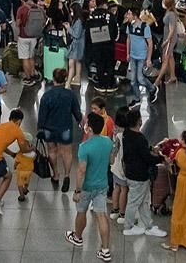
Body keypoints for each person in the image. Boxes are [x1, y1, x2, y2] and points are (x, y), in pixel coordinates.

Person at [65, 112, 115, 262]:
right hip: (102, 185)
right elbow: (111, 161)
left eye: (86, 124)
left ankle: (77, 237)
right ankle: (105, 250)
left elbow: (81, 170)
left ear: (90, 129)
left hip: (87, 186)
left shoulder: (84, 147)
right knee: (101, 215)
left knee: (81, 211)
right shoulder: (107, 142)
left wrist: (77, 190)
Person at [121, 107, 167, 237]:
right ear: (139, 121)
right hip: (139, 176)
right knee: (135, 201)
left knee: (143, 201)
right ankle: (128, 226)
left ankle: (148, 225)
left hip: (131, 172)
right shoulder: (139, 138)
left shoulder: (127, 134)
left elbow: (140, 151)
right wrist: (161, 158)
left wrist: (151, 148)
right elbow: (147, 157)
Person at [38, 67, 83, 191]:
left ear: (53, 79)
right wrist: (81, 122)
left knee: (52, 151)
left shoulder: (47, 96)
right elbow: (77, 112)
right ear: (64, 79)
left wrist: (40, 129)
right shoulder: (70, 94)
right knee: (66, 153)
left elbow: (42, 115)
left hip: (49, 129)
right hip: (65, 128)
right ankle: (67, 175)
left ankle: (56, 174)